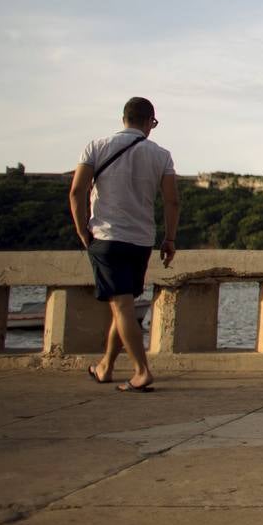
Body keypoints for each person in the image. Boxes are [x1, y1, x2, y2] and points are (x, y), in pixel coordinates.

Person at [69, 97, 178, 392]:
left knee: (122, 305)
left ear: (124, 118)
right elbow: (171, 200)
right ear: (149, 122)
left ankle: (142, 371)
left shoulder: (95, 146)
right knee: (124, 304)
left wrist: (81, 229)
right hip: (141, 240)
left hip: (106, 237)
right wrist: (169, 238)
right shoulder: (161, 155)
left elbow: (77, 191)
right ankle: (106, 366)